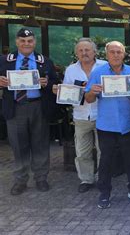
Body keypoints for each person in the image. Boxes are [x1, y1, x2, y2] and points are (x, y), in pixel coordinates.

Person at [84, 41, 130, 209]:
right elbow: (88, 99)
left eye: (119, 52)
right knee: (106, 161)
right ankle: (104, 193)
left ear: (124, 54)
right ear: (107, 54)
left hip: (128, 124)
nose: (116, 55)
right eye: (113, 52)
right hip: (106, 125)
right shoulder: (98, 73)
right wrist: (92, 92)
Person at [0, 28, 58, 196]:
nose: (26, 44)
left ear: (35, 42)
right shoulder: (4, 60)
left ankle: (41, 178)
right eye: (23, 41)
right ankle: (21, 179)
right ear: (17, 42)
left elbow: (55, 81)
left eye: (30, 41)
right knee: (18, 145)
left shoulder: (45, 61)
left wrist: (47, 82)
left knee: (40, 143)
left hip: (38, 106)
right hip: (15, 107)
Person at [53, 38, 107, 193]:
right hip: (81, 115)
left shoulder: (104, 66)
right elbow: (68, 91)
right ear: (76, 53)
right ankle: (86, 179)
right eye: (81, 50)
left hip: (101, 114)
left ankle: (102, 178)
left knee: (102, 149)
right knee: (82, 151)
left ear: (94, 52)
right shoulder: (71, 70)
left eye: (87, 50)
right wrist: (60, 91)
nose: (84, 53)